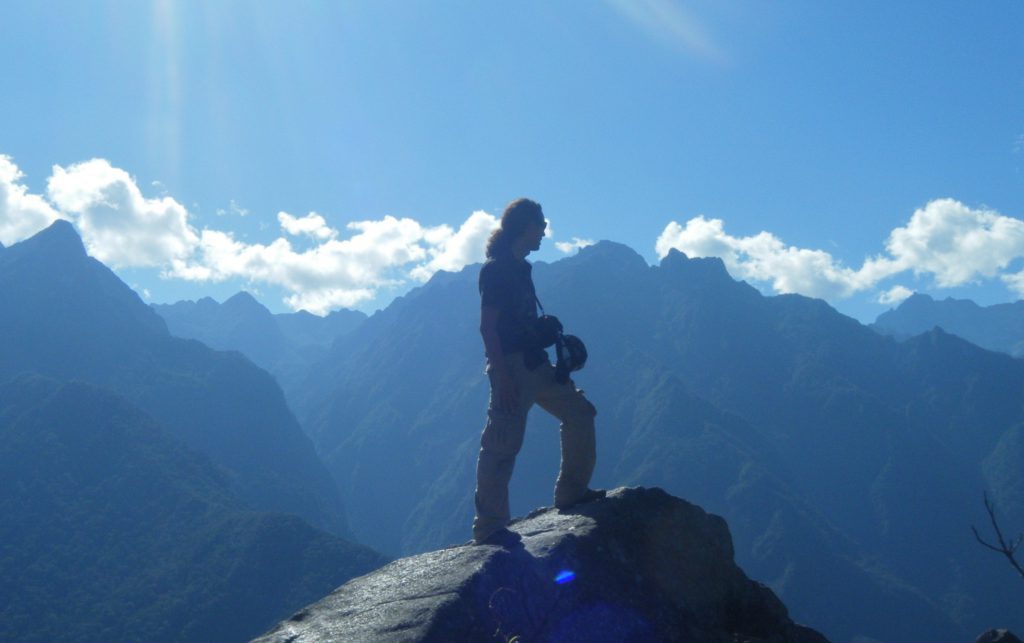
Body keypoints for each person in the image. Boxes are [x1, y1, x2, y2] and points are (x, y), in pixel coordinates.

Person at [472, 198, 602, 546]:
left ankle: (572, 493)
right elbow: (488, 328)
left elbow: (513, 321)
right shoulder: (496, 269)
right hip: (511, 369)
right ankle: (489, 528)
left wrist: (541, 329)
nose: (544, 231)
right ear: (523, 226)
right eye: (540, 225)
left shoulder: (521, 269)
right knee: (501, 446)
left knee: (581, 414)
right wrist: (500, 378)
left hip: (535, 363)